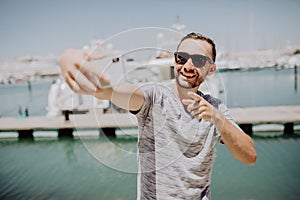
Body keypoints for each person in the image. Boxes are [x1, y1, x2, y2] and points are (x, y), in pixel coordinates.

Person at [59, 32, 257, 200]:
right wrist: (70, 60)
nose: (187, 66)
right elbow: (117, 92)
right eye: (182, 57)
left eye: (198, 60)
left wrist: (217, 119)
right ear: (175, 60)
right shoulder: (154, 96)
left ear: (211, 69)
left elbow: (249, 157)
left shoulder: (216, 107)